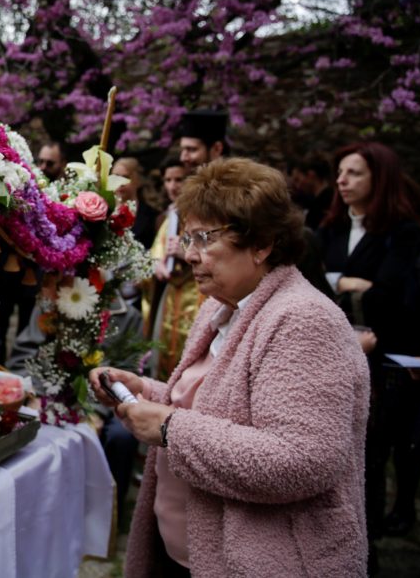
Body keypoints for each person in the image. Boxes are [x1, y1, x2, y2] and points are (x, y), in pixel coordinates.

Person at [90, 158, 369, 577]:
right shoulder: (219, 309)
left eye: (204, 238)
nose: (188, 254)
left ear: (262, 244)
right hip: (186, 552)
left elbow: (303, 460)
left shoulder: (304, 320)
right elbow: (217, 407)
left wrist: (168, 427)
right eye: (187, 237)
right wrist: (147, 393)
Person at [318, 141, 420, 557]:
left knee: (371, 453)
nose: (342, 181)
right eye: (340, 172)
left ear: (379, 178)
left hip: (382, 361)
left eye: (355, 173)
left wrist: (340, 282)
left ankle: (365, 546)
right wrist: (353, 285)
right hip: (328, 354)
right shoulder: (330, 226)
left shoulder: (405, 232)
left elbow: (390, 298)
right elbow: (314, 285)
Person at [140, 158, 198, 380]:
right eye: (168, 180)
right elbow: (156, 255)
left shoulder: (204, 214)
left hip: (197, 296)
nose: (173, 186)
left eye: (179, 179)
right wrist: (156, 266)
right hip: (170, 296)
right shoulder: (169, 216)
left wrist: (186, 253)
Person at [112, 157, 160, 249]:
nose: (120, 183)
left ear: (137, 180)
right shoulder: (103, 212)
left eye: (125, 177)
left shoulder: (152, 216)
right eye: (116, 177)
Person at [288, 153, 334, 230]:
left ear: (311, 175)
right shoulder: (312, 201)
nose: (297, 186)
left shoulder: (329, 201)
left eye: (298, 180)